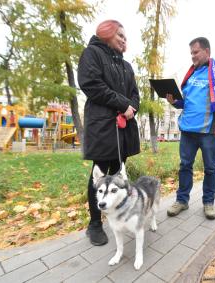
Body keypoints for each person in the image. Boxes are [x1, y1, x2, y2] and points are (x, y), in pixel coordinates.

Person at [77, 20, 140, 245]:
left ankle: (117, 212)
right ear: (106, 33)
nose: (124, 39)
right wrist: (123, 104)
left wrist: (132, 106)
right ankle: (94, 224)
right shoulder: (92, 54)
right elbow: (92, 84)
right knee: (99, 176)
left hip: (122, 129)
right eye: (120, 35)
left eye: (126, 36)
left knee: (117, 173)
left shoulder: (126, 66)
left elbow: (135, 94)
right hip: (103, 127)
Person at [166, 37, 215, 220]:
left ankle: (208, 203)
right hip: (188, 131)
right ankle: (182, 200)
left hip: (208, 132)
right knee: (185, 166)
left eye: (195, 52)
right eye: (191, 53)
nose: (193, 56)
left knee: (210, 169)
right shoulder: (191, 74)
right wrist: (175, 102)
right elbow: (187, 102)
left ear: (207, 51)